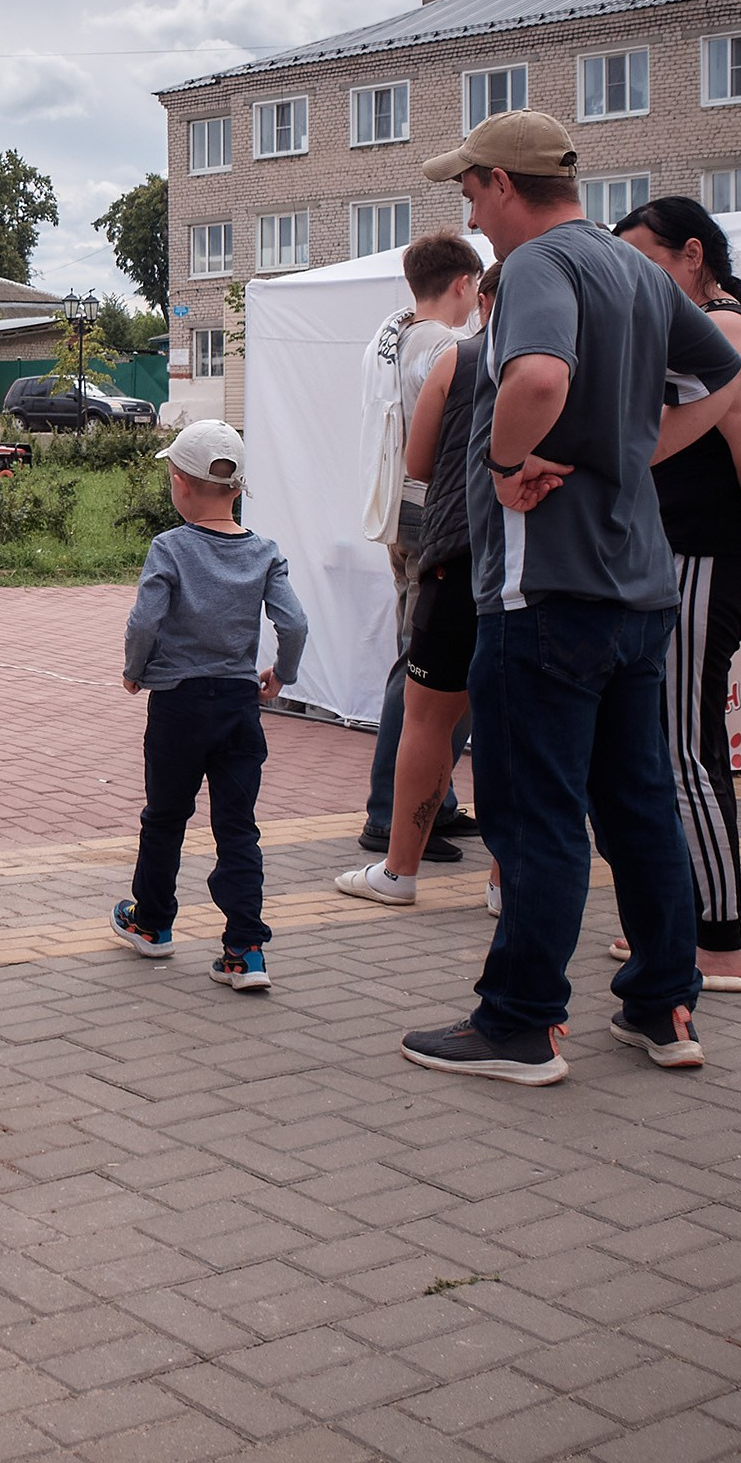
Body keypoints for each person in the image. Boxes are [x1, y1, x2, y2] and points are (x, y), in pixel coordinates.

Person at [398, 112, 741, 1086]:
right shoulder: (638, 270)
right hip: (638, 593)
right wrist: (628, 456)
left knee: (535, 814)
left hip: (542, 592)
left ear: (504, 183)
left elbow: (540, 376)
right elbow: (725, 370)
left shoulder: (542, 266)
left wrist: (508, 461)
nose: (468, 213)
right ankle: (662, 1006)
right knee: (638, 807)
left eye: (469, 192)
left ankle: (519, 1023)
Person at [614, 197, 741, 993]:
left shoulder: (727, 327)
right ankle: (674, 925)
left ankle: (719, 944)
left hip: (706, 555)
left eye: (646, 261)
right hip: (693, 554)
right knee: (663, 742)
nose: (635, 278)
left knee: (682, 748)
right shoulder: (712, 324)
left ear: (692, 255)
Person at [112, 419, 308, 991]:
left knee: (165, 817)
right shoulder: (265, 551)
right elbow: (293, 621)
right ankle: (245, 950)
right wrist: (282, 674)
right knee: (238, 827)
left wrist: (134, 672)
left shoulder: (169, 548)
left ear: (182, 483)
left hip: (178, 705)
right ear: (238, 489)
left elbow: (144, 620)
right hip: (239, 706)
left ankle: (152, 924)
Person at [342, 260, 502, 912]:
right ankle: (393, 811)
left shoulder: (396, 332)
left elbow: (412, 451)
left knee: (432, 677)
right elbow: (429, 452)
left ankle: (428, 810)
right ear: (466, 283)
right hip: (451, 529)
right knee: (427, 680)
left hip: (420, 520)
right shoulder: (445, 347)